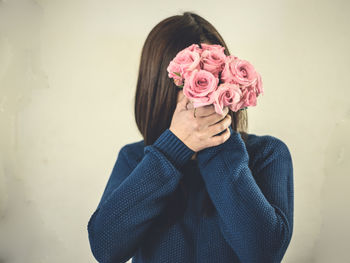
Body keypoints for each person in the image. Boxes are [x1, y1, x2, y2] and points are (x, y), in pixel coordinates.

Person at [87, 11, 294, 263]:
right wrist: (173, 149)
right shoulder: (134, 159)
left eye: (213, 77)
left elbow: (264, 253)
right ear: (158, 89)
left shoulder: (267, 154)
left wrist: (217, 141)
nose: (202, 95)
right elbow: (105, 248)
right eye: (189, 83)